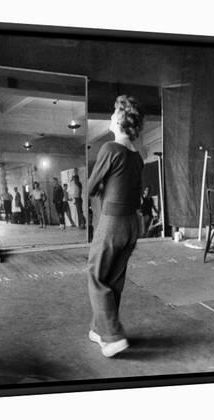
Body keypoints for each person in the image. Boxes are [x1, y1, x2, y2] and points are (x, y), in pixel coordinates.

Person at [86, 95, 144, 358]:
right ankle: (101, 331)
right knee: (114, 280)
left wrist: (99, 187)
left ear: (120, 119)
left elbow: (90, 186)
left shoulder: (110, 149)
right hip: (132, 224)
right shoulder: (137, 156)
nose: (110, 116)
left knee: (96, 276)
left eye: (113, 113)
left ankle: (114, 336)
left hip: (113, 222)